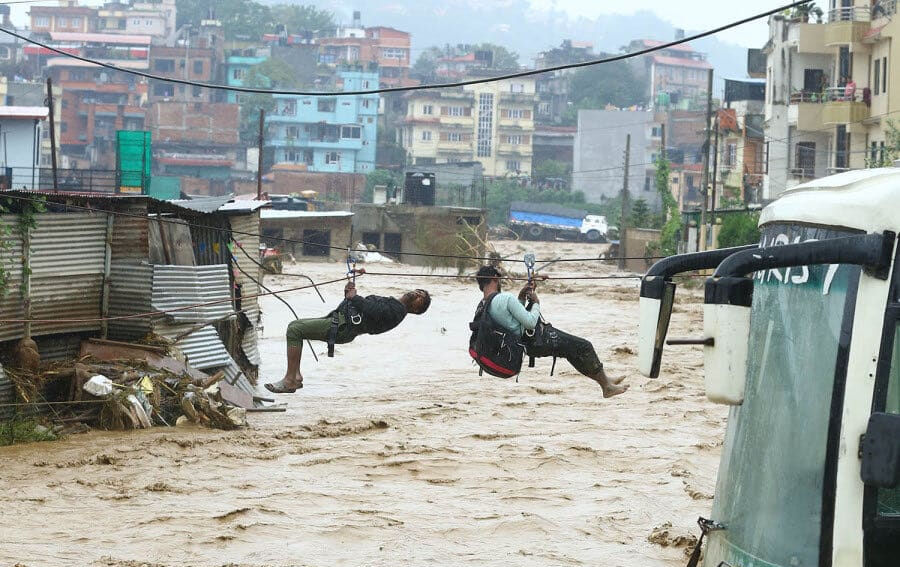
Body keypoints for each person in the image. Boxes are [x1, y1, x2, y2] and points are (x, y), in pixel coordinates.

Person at [474, 265, 628, 398]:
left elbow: (510, 321)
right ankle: (606, 387)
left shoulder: (485, 304)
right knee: (584, 346)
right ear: (495, 278)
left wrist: (521, 298)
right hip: (536, 339)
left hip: (525, 345)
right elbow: (529, 322)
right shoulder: (505, 298)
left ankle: (605, 381)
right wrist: (535, 303)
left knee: (572, 351)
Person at [265, 273, 432, 393]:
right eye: (419, 291)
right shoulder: (395, 305)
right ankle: (296, 376)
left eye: (420, 297)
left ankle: (289, 380)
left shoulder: (397, 311)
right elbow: (365, 309)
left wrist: (354, 297)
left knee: (295, 330)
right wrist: (349, 295)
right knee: (295, 326)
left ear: (416, 309)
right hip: (340, 322)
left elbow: (372, 309)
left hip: (343, 328)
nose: (417, 293)